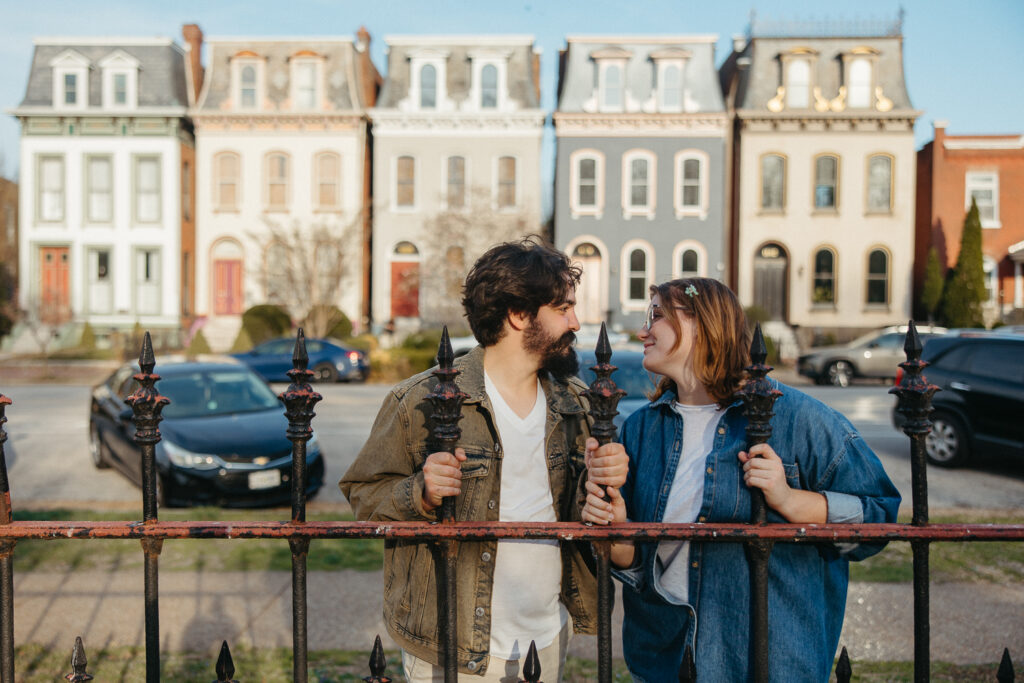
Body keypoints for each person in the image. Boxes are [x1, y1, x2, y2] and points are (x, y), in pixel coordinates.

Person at [581, 277, 900, 682]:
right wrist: (615, 528)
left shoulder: (796, 417)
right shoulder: (643, 428)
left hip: (764, 660)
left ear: (702, 323)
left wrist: (789, 500)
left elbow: (878, 518)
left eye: (656, 315)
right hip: (666, 659)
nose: (643, 331)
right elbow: (638, 563)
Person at [341, 237, 628, 682]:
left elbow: (590, 517)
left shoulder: (577, 404)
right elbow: (363, 493)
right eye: (563, 308)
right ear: (518, 315)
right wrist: (421, 494)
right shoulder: (420, 400)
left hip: (547, 637)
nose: (575, 322)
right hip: (449, 643)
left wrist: (604, 483)